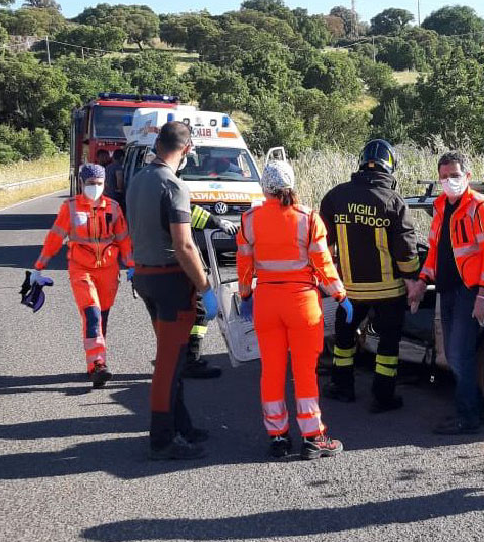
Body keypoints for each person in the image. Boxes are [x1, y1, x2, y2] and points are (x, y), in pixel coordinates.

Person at [236, 160, 351, 460]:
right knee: (304, 373)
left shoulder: (249, 220)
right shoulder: (308, 218)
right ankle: (313, 437)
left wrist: (245, 294)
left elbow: (244, 264)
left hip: (267, 302)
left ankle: (278, 437)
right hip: (301, 303)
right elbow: (323, 264)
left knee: (271, 372)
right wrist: (340, 295)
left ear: (265, 187)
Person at [126, 121, 218, 460]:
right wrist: (204, 286)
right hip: (170, 282)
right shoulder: (173, 186)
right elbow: (184, 246)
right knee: (169, 362)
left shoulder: (138, 181)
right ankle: (163, 440)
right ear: (187, 150)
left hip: (146, 277)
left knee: (174, 357)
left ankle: (182, 426)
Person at [320, 139, 421, 412]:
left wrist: (328, 278)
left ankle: (342, 388)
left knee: (344, 340)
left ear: (361, 163)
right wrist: (413, 280)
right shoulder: (394, 201)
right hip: (390, 292)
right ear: (391, 167)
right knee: (388, 345)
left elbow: (322, 245)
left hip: (350, 292)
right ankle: (383, 397)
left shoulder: (335, 197)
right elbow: (406, 248)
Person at [412, 151, 484, 435]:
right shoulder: (441, 207)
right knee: (453, 355)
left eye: (454, 175)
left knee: (460, 354)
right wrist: (421, 279)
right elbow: (434, 250)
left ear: (467, 177)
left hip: (468, 290)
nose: (449, 181)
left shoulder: (480, 208)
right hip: (447, 289)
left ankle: (468, 417)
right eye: (444, 177)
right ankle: (473, 411)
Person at [31, 163, 133, 388]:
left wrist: (132, 265)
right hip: (81, 269)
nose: (94, 188)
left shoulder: (113, 208)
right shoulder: (71, 208)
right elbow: (55, 238)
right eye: (90, 184)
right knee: (92, 313)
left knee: (101, 317)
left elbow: (124, 239)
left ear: (104, 184)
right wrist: (39, 266)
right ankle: (97, 364)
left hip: (108, 270)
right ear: (81, 183)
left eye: (98, 184)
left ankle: (97, 364)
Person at [184, 204, 238, 380]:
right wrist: (218, 222)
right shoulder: (170, 188)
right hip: (183, 266)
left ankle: (178, 361)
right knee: (199, 312)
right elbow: (190, 212)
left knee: (173, 316)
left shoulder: (144, 190)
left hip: (159, 267)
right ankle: (191, 360)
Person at [104, 149, 126, 213]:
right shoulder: (118, 167)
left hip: (107, 196)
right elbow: (119, 179)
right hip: (115, 196)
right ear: (122, 158)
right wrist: (120, 189)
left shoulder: (107, 167)